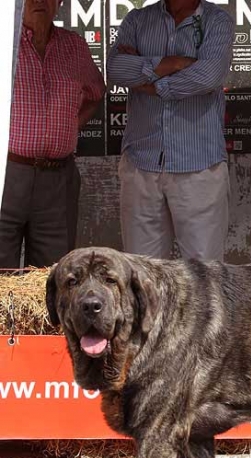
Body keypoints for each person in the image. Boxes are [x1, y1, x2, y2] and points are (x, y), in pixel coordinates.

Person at [106, 0, 234, 262]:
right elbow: (115, 69)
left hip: (199, 165)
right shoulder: (137, 20)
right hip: (142, 163)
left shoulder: (217, 20)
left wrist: (151, 82)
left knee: (203, 273)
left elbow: (208, 76)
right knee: (142, 273)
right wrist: (174, 63)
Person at [0, 0, 105, 269]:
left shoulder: (75, 47)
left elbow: (95, 93)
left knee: (53, 274)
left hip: (57, 179)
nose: (38, 1)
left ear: (59, 2)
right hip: (7, 173)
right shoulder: (3, 42)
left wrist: (69, 126)